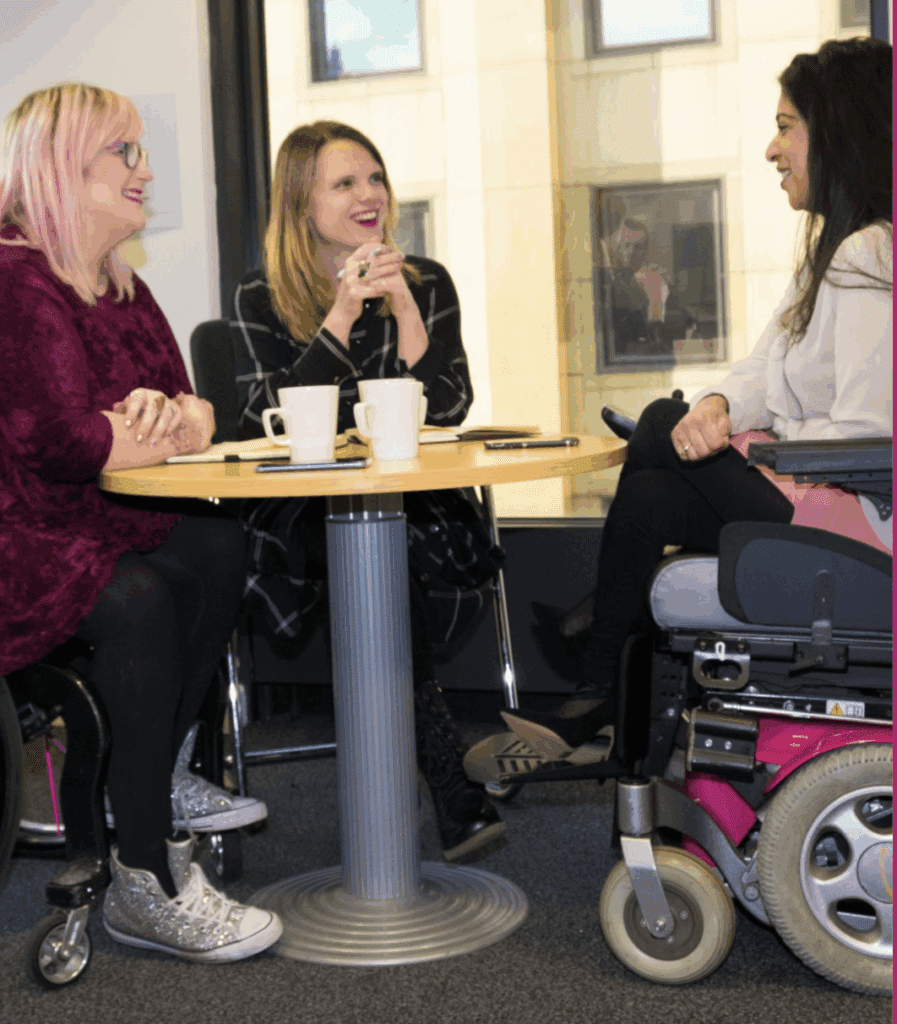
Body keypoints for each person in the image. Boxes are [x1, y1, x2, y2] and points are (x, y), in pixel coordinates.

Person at [504, 37, 893, 761]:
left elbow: (865, 436)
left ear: (833, 133)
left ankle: (598, 659)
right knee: (652, 490)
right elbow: (761, 370)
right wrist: (716, 408)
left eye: (785, 127)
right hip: (810, 497)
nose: (771, 150)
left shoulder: (867, 253)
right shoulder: (829, 254)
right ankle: (597, 695)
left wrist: (749, 451)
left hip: (855, 521)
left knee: (656, 428)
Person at [0, 83, 282, 961]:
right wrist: (142, 430)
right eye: (123, 152)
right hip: (20, 535)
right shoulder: (14, 276)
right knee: (137, 599)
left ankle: (150, 773)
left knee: (218, 542)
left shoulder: (122, 284)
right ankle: (146, 873)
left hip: (88, 516)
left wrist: (162, 426)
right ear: (60, 164)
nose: (144, 170)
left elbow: (197, 412)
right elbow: (56, 440)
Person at [230, 121, 504, 861]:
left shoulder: (429, 280)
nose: (368, 196)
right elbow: (268, 424)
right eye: (344, 183)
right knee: (369, 535)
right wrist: (344, 313)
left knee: (388, 533)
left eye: (374, 178)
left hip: (417, 512)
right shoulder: (259, 296)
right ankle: (447, 777)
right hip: (298, 522)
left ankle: (436, 769)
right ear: (301, 203)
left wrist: (404, 304)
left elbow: (446, 408)